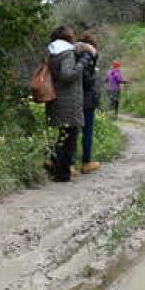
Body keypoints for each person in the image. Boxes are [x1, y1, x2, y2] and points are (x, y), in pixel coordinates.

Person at [44, 25, 84, 183]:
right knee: (69, 138)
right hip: (69, 101)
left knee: (62, 136)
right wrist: (80, 66)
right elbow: (66, 75)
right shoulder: (67, 53)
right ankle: (62, 173)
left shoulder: (53, 52)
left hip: (56, 99)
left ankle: (55, 165)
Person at [75, 31, 101, 174]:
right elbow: (84, 75)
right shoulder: (88, 54)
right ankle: (86, 162)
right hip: (86, 98)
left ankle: (68, 162)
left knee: (71, 131)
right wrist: (93, 78)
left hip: (74, 97)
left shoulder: (73, 52)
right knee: (87, 130)